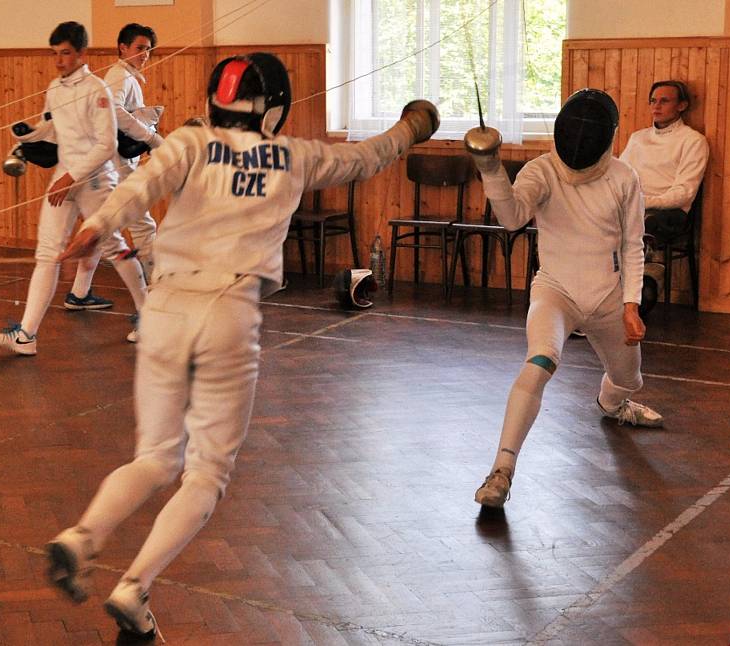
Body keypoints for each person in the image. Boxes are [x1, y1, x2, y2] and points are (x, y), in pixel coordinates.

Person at [44, 52, 440, 638]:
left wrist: (97, 227)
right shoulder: (295, 156)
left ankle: (81, 538)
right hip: (229, 314)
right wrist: (415, 123)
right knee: (205, 472)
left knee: (154, 456)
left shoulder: (189, 142)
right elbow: (368, 157)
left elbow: (140, 185)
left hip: (166, 308)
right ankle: (134, 587)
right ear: (274, 108)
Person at [468, 89, 664, 510]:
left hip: (609, 296)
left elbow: (633, 246)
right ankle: (501, 472)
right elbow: (512, 216)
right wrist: (490, 168)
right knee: (539, 362)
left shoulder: (623, 178)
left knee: (630, 379)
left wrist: (630, 305)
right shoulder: (542, 171)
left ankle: (613, 404)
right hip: (556, 291)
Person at [0, 21, 147, 355]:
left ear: (81, 53)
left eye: (66, 53)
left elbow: (106, 144)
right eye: (55, 54)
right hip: (65, 178)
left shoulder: (97, 89)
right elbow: (54, 131)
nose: (59, 61)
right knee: (47, 253)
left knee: (113, 247)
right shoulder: (55, 89)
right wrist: (26, 139)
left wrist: (71, 176)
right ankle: (26, 336)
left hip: (96, 179)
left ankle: (150, 317)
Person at [99, 22, 164, 286]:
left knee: (102, 227)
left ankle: (79, 293)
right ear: (122, 48)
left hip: (120, 160)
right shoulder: (119, 76)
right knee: (141, 223)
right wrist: (149, 137)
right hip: (117, 162)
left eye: (148, 49)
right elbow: (113, 112)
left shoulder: (127, 77)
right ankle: (157, 284)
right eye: (139, 48)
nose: (145, 54)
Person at [620, 80, 709, 241]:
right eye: (653, 101)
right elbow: (619, 176)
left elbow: (684, 193)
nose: (657, 106)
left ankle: (644, 264)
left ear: (682, 105)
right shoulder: (638, 138)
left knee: (642, 223)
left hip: (668, 212)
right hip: (635, 205)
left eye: (664, 101)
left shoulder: (693, 140)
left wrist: (645, 202)